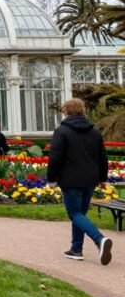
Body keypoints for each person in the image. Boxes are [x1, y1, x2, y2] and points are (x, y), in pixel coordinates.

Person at [47, 98, 113, 265]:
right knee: (80, 214)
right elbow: (103, 157)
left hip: (70, 179)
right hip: (90, 179)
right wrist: (102, 178)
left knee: (75, 214)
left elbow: (55, 157)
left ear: (66, 111)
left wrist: (51, 178)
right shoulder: (94, 132)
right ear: (82, 110)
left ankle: (100, 239)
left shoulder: (62, 131)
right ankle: (76, 249)